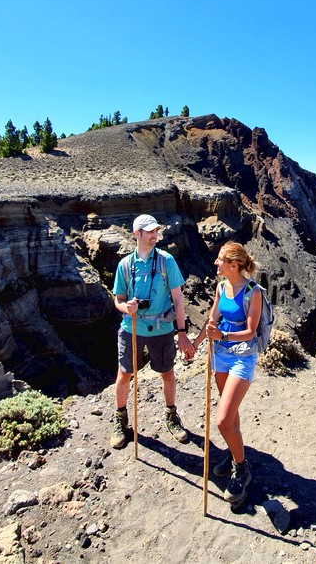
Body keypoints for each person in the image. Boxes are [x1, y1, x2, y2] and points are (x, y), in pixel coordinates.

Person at [111, 214, 195, 450]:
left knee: (167, 373)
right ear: (137, 233)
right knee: (124, 375)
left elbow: (178, 299)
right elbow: (117, 299)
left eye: (156, 230)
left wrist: (181, 332)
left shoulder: (167, 261)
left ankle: (171, 415)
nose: (155, 235)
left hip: (162, 329)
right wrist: (125, 307)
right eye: (150, 231)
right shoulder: (125, 265)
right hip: (132, 328)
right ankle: (120, 420)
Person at [193, 242, 262, 504]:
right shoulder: (221, 287)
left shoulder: (252, 292)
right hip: (220, 355)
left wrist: (224, 335)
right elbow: (211, 320)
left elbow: (250, 331)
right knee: (231, 415)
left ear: (233, 265)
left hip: (242, 357)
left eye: (220, 260)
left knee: (222, 420)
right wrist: (196, 345)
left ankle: (242, 469)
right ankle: (235, 454)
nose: (216, 264)